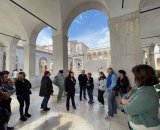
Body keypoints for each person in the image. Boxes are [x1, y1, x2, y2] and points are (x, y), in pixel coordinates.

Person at [121, 65, 160, 130]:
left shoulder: (147, 94)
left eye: (135, 75)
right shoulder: (139, 87)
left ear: (142, 77)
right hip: (135, 125)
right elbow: (126, 96)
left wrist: (123, 102)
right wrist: (123, 101)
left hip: (145, 127)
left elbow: (128, 110)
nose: (134, 78)